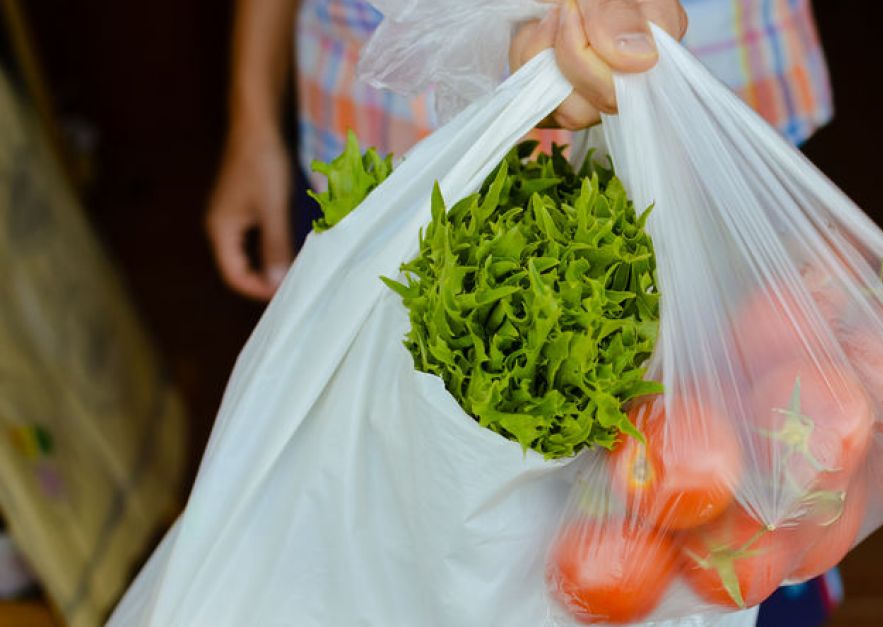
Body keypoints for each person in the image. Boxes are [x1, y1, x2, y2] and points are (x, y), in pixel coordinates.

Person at [204, 0, 841, 622]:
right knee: (390, 512)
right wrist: (252, 117)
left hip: (689, 71)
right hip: (388, 97)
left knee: (735, 475)